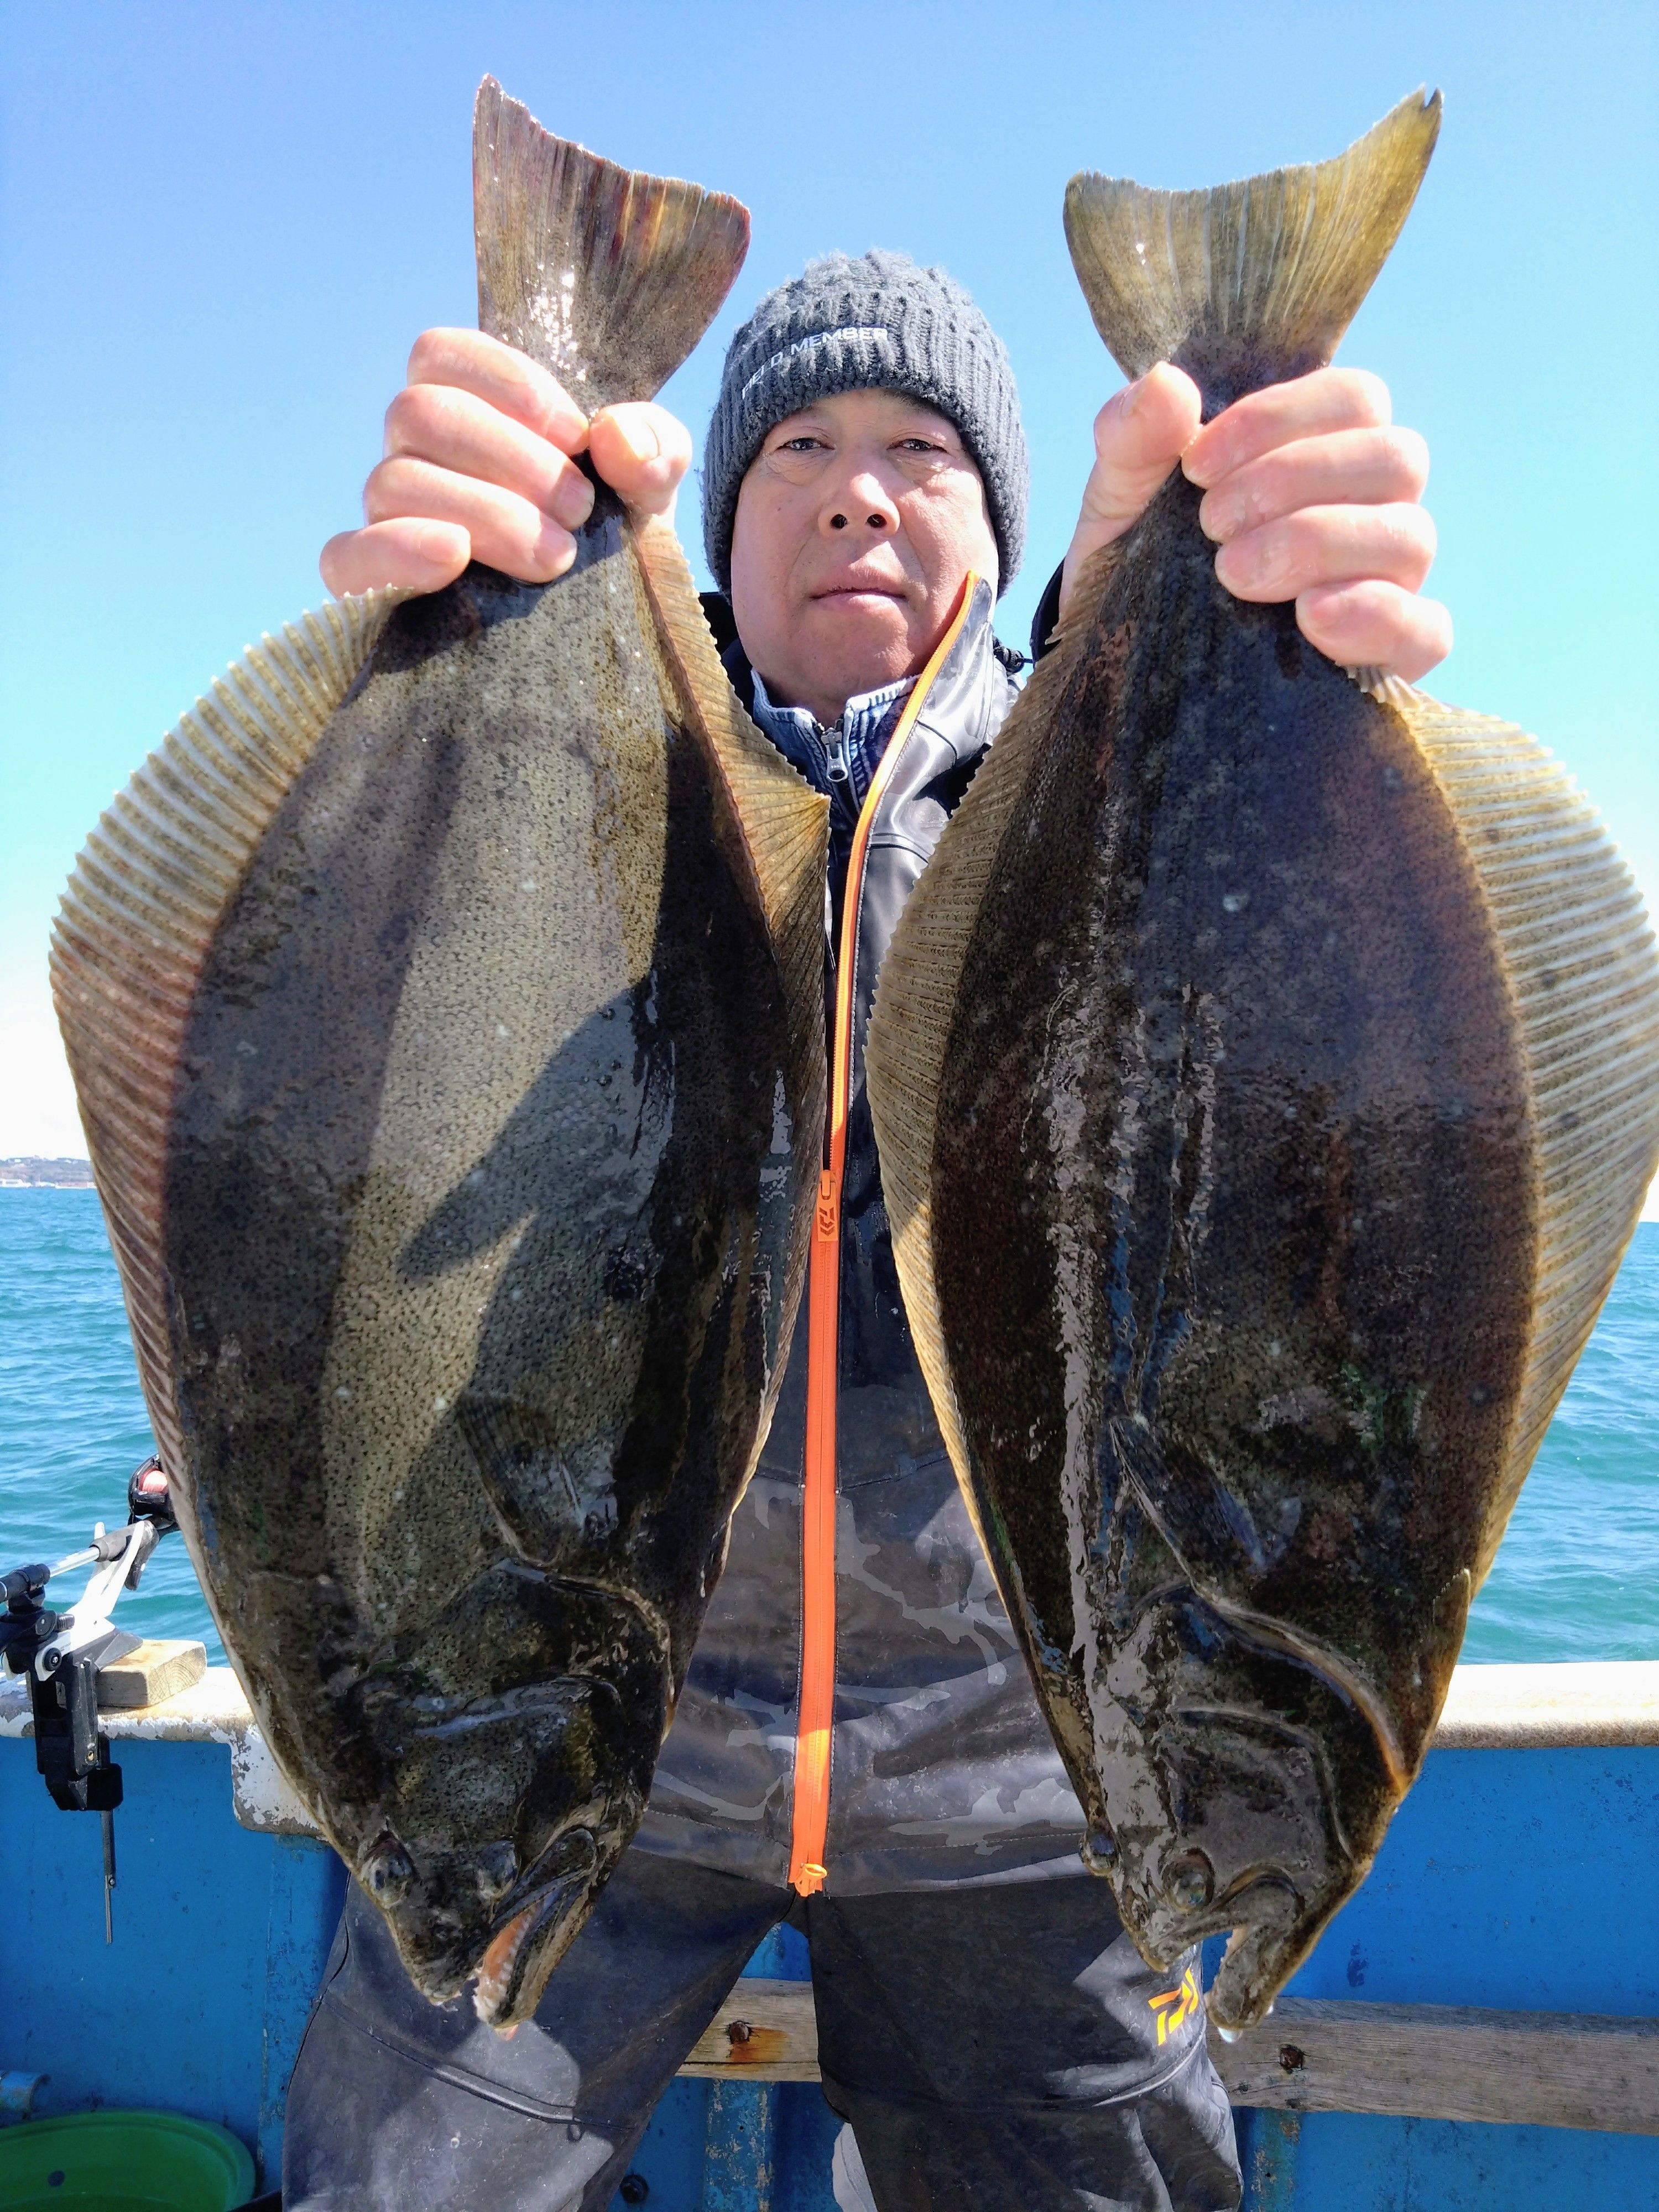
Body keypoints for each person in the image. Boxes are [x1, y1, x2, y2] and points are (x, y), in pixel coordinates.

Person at [285, 249, 1444, 2212]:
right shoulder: (578, 783)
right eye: (798, 449)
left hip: (1034, 1775)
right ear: (722, 524)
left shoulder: (1095, 785)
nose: (857, 492)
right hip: (571, 1737)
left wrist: (1213, 607)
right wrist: (430, 638)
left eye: (922, 450)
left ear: (1000, 529)